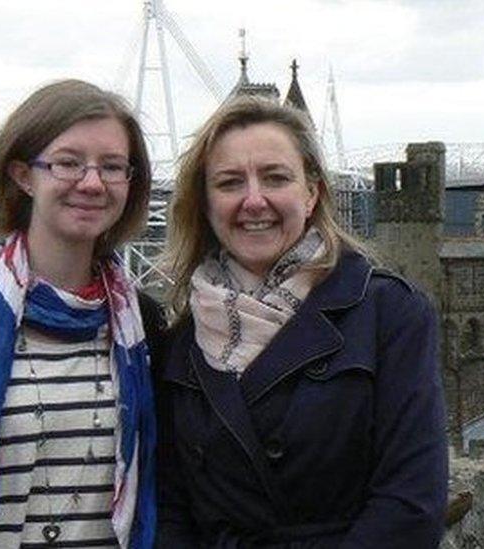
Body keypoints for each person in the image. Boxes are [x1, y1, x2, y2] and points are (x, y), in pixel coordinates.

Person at [156, 96, 448, 547]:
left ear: (311, 194)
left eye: (276, 178)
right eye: (230, 183)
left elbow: (411, 505)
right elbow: (170, 508)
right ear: (206, 204)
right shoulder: (180, 342)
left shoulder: (388, 313)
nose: (255, 200)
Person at [0, 79, 164, 549]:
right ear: (23, 175)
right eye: (67, 163)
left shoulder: (142, 323)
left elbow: (171, 485)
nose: (91, 182)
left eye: (112, 167)